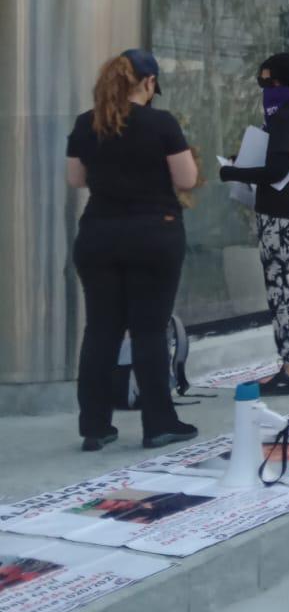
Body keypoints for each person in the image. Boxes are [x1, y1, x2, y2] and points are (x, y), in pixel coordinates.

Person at [66, 49, 200, 452]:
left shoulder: (86, 124)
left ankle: (94, 425)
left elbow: (76, 179)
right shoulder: (161, 122)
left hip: (98, 234)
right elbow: (187, 178)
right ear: (149, 83)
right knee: (148, 329)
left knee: (100, 329)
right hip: (152, 234)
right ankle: (158, 423)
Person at [220, 53, 289, 396]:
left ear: (284, 83)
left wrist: (232, 172)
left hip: (282, 214)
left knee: (282, 291)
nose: (266, 90)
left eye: (270, 82)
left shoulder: (285, 119)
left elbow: (277, 170)